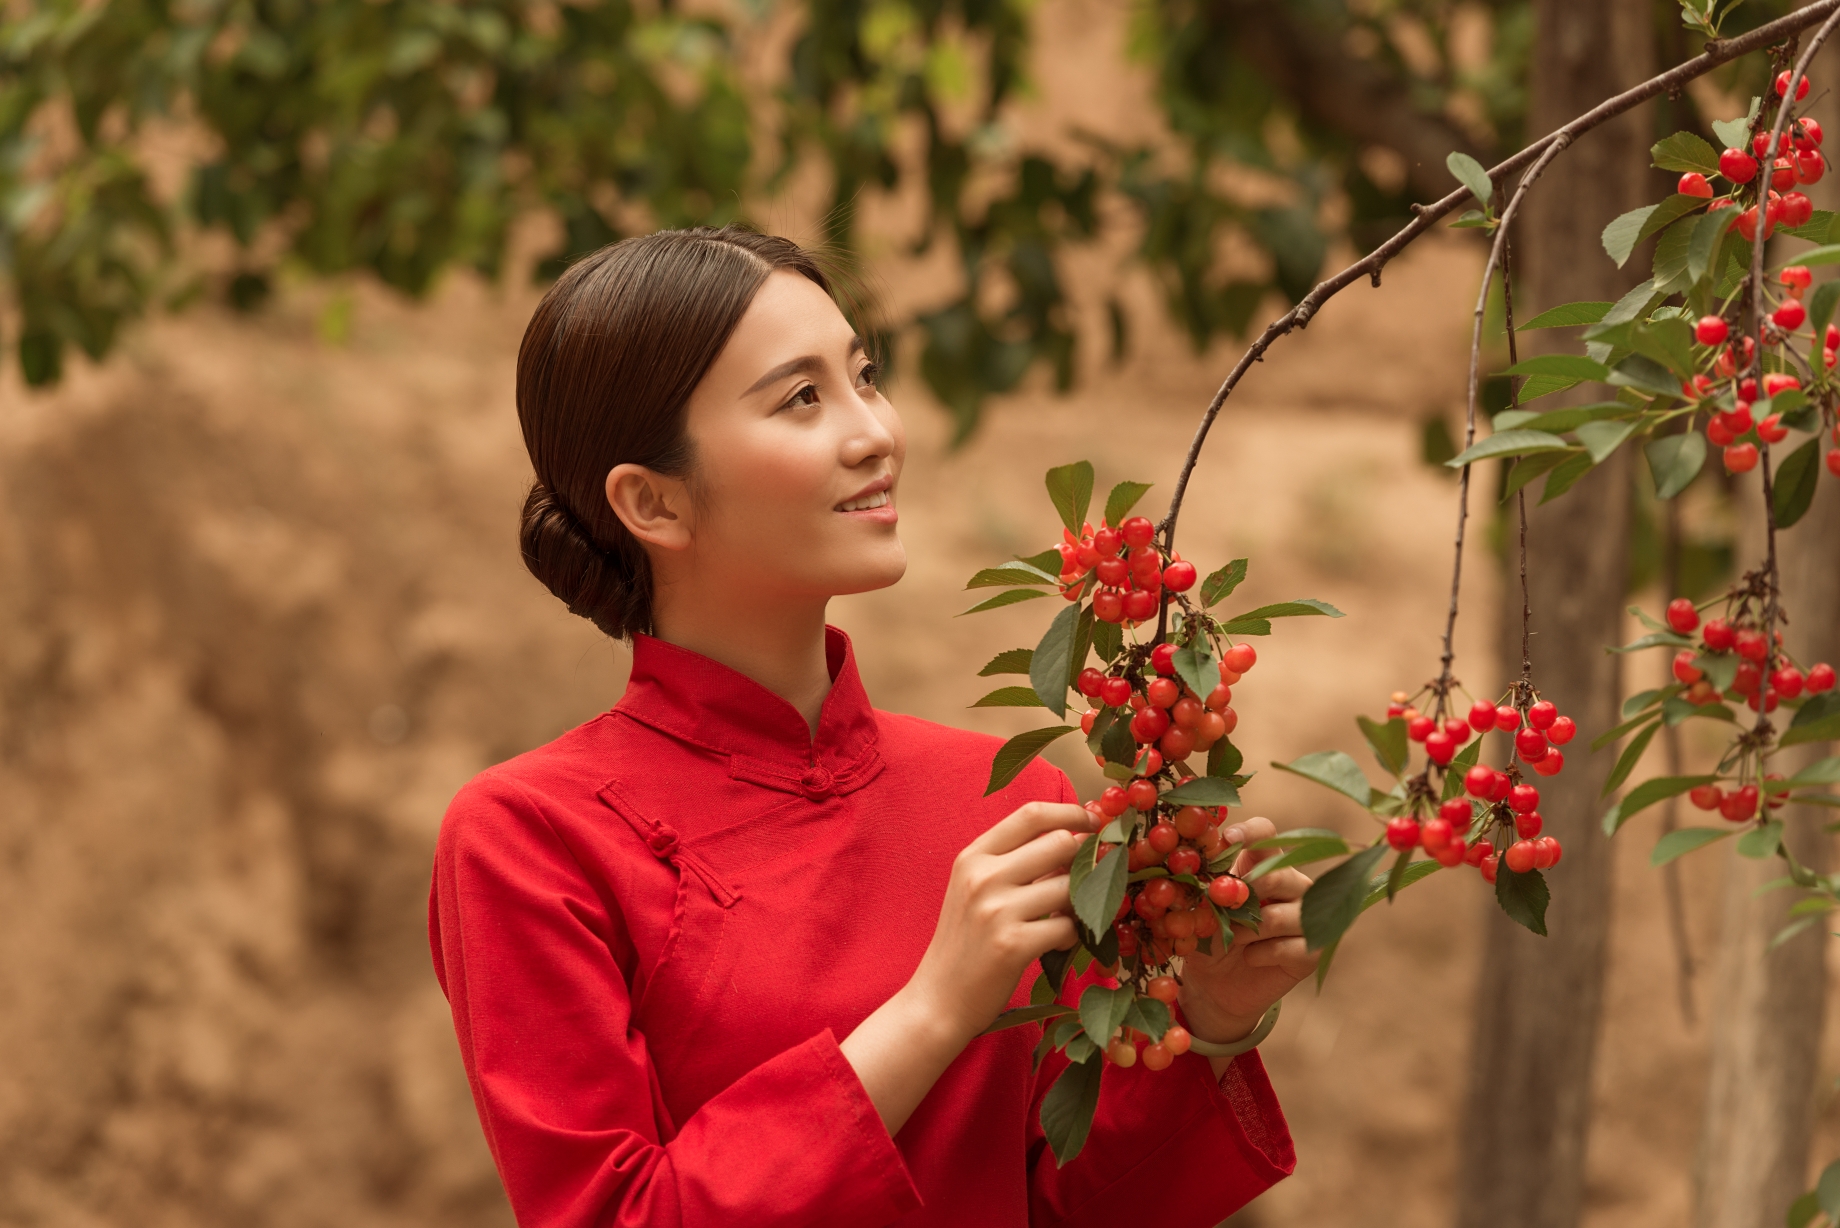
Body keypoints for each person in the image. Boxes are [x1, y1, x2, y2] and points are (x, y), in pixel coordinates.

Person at [429, 226, 1315, 1228]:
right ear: (653, 501)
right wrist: (935, 1007)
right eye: (802, 398)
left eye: (864, 375)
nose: (875, 433)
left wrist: (1214, 1017)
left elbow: (1080, 1203)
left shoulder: (1011, 800)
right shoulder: (531, 835)